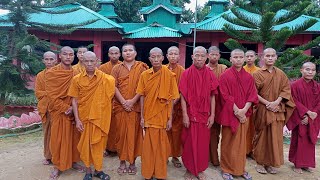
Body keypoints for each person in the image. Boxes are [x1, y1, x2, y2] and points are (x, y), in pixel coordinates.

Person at [68, 51, 115, 180]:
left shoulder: (107, 79)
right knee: (85, 145)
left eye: (91, 61)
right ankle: (88, 170)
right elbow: (74, 100)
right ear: (82, 62)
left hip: (100, 118)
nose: (89, 64)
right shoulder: (76, 79)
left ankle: (99, 170)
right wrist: (77, 120)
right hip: (84, 118)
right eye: (86, 61)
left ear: (96, 62)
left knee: (99, 145)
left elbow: (109, 98)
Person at [137, 47, 179, 180]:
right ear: (149, 59)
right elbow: (142, 96)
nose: (155, 59)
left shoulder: (170, 75)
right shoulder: (144, 75)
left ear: (162, 58)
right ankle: (148, 173)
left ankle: (160, 173)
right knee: (148, 147)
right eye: (153, 57)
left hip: (163, 117)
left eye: (158, 57)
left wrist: (170, 119)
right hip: (149, 116)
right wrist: (142, 116)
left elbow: (172, 99)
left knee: (161, 147)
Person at [252, 48, 295, 174]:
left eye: (272, 56)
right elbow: (254, 93)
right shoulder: (257, 74)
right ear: (262, 58)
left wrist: (276, 102)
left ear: (276, 57)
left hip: (277, 110)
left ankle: (270, 163)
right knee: (262, 137)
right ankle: (259, 163)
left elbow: (286, 90)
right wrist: (268, 103)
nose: (270, 58)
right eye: (267, 56)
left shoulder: (281, 74)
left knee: (275, 138)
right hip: (262, 110)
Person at [180, 46, 219, 180]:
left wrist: (212, 115)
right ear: (192, 57)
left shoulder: (210, 74)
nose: (199, 58)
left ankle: (200, 169)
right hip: (190, 114)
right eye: (197, 55)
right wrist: (185, 114)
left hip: (204, 114)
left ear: (206, 57)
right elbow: (183, 96)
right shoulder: (186, 73)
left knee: (202, 143)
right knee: (189, 142)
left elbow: (212, 96)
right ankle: (189, 169)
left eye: (202, 56)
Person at [219, 49, 258, 180]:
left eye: (241, 57)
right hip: (230, 114)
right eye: (235, 57)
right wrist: (237, 111)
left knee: (242, 143)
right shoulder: (225, 76)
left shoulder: (248, 77)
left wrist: (244, 111)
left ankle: (240, 169)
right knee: (228, 142)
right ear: (230, 59)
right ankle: (226, 169)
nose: (238, 59)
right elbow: (224, 95)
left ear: (244, 59)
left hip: (244, 115)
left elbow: (252, 95)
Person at [46, 46, 84, 180]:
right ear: (60, 56)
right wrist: (65, 108)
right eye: (65, 54)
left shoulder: (76, 73)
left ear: (74, 57)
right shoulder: (52, 73)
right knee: (58, 139)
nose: (68, 57)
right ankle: (57, 166)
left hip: (74, 112)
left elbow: (80, 92)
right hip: (59, 112)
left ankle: (73, 161)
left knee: (74, 138)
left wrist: (73, 109)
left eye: (71, 55)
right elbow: (51, 95)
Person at [111, 44, 148, 175]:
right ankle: (122, 161)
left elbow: (143, 87)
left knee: (134, 135)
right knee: (121, 135)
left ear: (135, 53)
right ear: (122, 54)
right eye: (125, 51)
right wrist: (123, 102)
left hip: (136, 106)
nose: (128, 53)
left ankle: (132, 161)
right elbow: (113, 87)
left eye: (130, 50)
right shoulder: (116, 68)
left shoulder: (143, 68)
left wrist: (132, 101)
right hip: (120, 107)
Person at [287, 62, 320, 174]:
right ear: (301, 70)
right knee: (299, 139)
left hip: (313, 118)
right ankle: (297, 164)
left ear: (315, 72)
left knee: (310, 141)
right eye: (307, 69)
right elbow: (293, 101)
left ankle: (307, 164)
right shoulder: (294, 85)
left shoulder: (317, 86)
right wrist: (306, 113)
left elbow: (319, 102)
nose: (310, 72)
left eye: (313, 70)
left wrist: (313, 114)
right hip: (300, 117)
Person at [35, 51, 57, 165]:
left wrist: (51, 94)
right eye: (47, 59)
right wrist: (51, 93)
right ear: (43, 60)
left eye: (51, 59)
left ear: (56, 60)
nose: (49, 62)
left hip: (58, 108)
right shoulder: (40, 76)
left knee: (58, 133)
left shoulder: (60, 74)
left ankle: (58, 156)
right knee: (47, 133)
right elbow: (38, 93)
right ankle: (48, 156)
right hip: (46, 108)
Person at [206, 46, 227, 166]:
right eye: (212, 54)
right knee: (204, 133)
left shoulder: (223, 69)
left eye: (216, 55)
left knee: (215, 133)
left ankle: (214, 158)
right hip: (204, 105)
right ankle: (204, 157)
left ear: (219, 56)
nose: (214, 57)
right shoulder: (204, 68)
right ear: (208, 55)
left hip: (219, 105)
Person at [99, 46, 121, 156]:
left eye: (116, 53)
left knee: (118, 126)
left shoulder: (123, 67)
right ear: (108, 54)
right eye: (111, 53)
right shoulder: (102, 68)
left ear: (119, 54)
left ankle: (118, 147)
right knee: (106, 126)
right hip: (105, 102)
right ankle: (106, 147)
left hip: (119, 101)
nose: (114, 55)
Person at [165, 46, 185, 168]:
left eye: (175, 54)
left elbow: (183, 90)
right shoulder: (162, 69)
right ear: (166, 56)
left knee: (177, 133)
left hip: (177, 108)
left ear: (179, 56)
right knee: (165, 132)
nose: (173, 56)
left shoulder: (183, 71)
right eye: (170, 54)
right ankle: (165, 154)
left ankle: (175, 156)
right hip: (164, 106)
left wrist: (174, 101)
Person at [243, 50, 260, 157]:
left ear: (256, 57)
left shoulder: (259, 71)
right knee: (244, 128)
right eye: (247, 56)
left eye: (251, 56)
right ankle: (244, 150)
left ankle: (253, 150)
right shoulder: (242, 69)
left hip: (256, 104)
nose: (249, 58)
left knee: (254, 128)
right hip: (243, 104)